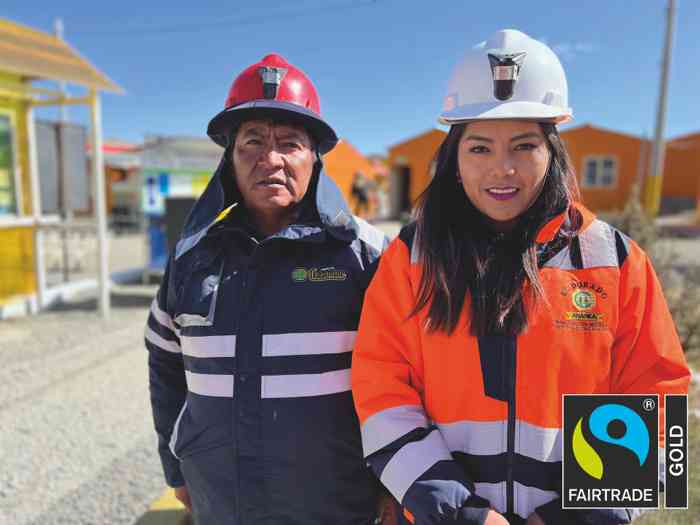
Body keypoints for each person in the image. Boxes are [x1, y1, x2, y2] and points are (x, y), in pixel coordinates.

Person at [351, 30, 690, 525]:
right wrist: (462, 513)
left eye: (525, 145)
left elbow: (661, 401)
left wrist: (567, 520)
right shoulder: (411, 258)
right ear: (454, 158)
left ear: (553, 151)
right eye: (480, 148)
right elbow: (380, 391)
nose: (502, 169)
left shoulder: (615, 259)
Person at [145, 53, 390, 524]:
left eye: (289, 143)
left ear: (314, 157)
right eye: (252, 142)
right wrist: (176, 462)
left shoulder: (367, 255)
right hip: (221, 500)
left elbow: (406, 373)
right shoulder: (191, 258)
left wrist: (391, 480)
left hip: (334, 503)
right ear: (229, 159)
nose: (270, 159)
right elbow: (164, 359)